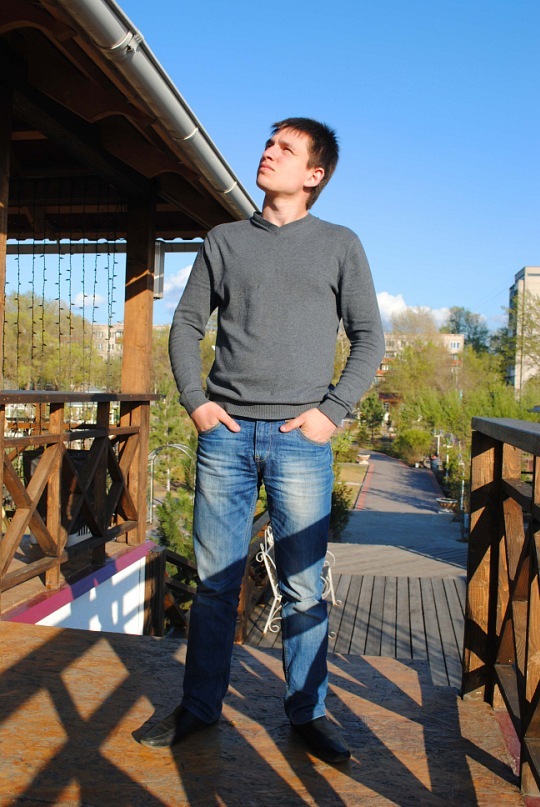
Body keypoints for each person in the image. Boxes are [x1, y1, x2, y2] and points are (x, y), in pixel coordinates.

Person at [139, 117, 385, 762]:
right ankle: (199, 708)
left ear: (314, 174)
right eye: (269, 143)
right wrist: (196, 402)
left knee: (303, 588)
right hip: (224, 437)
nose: (268, 152)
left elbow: (369, 338)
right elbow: (185, 325)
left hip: (301, 438)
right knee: (216, 585)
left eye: (285, 148)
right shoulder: (223, 240)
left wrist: (332, 412)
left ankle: (309, 713)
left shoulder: (340, 244)